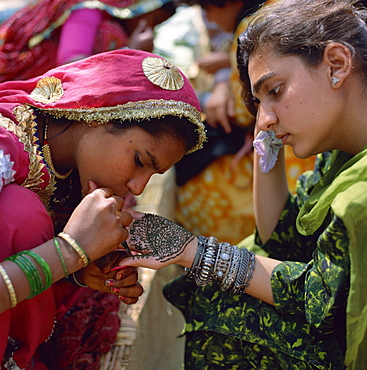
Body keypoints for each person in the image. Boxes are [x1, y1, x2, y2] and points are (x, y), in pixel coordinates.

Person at [116, 0, 367, 368]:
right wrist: (266, 138)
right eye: (256, 101)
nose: (264, 118)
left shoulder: (360, 196)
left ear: (337, 64)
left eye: (276, 90)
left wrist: (195, 253)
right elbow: (280, 236)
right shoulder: (339, 156)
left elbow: (321, 300)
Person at [0, 48, 206, 369]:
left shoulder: (69, 172)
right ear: (97, 112)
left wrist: (79, 271)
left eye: (152, 175)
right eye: (139, 161)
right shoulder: (5, 149)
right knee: (21, 214)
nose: (137, 187)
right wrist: (69, 251)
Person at [174, 0, 316, 245]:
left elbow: (242, 111)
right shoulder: (300, 8)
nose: (207, 19)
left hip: (296, 162)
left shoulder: (253, 27)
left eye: (207, 8)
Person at [0, 0, 177, 82]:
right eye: (153, 20)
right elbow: (70, 65)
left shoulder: (111, 24)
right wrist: (131, 51)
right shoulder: (88, 9)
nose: (150, 29)